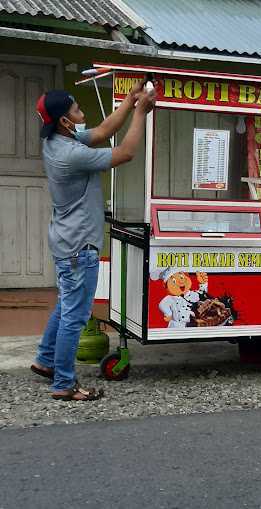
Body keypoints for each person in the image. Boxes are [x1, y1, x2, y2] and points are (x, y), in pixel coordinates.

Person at [30, 80, 155, 401]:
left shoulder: (60, 140)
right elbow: (125, 153)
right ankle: (64, 383)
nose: (79, 110)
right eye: (74, 108)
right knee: (76, 314)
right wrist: (142, 113)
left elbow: (101, 132)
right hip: (78, 245)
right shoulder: (70, 154)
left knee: (66, 304)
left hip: (65, 240)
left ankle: (46, 361)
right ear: (64, 120)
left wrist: (128, 102)